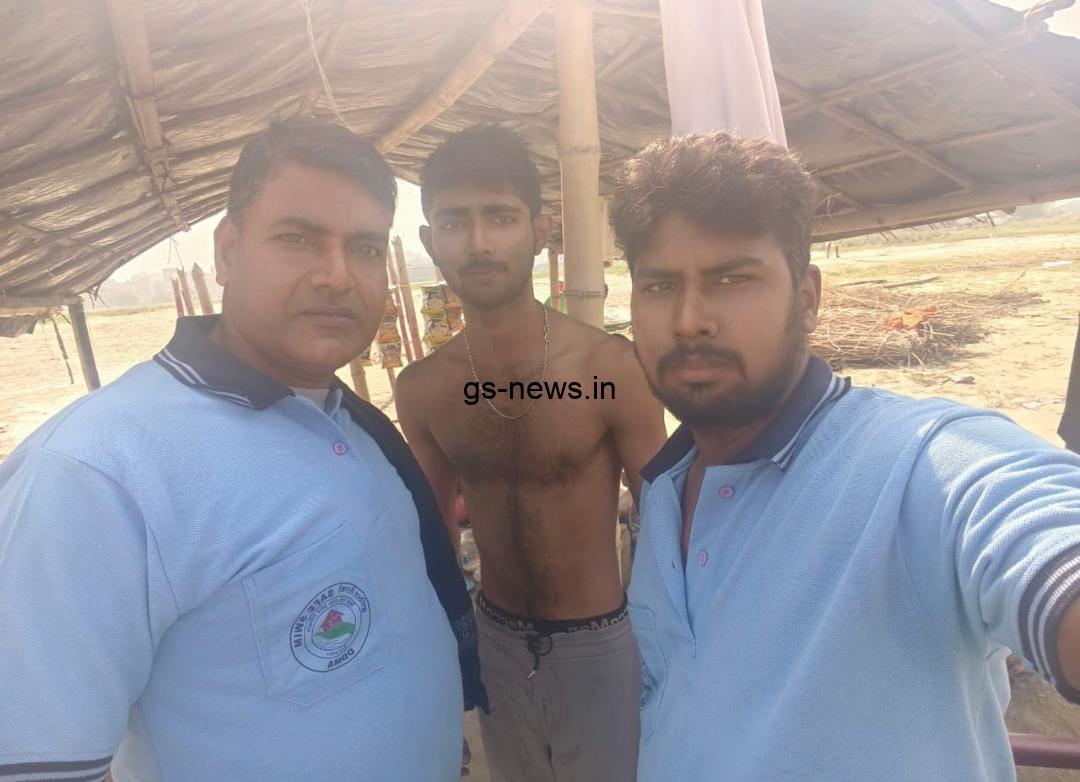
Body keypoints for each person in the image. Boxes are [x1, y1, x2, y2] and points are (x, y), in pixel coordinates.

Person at [0, 118, 483, 781]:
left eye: (366, 248)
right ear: (227, 251)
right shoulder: (96, 475)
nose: (338, 276)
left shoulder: (352, 422)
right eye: (298, 239)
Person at [610, 131, 1080, 781]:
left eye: (732, 278)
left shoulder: (916, 461)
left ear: (807, 298)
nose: (690, 319)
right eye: (660, 285)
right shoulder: (666, 487)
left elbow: (1031, 526)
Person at [395, 124, 666, 782]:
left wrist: (672, 655)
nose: (479, 243)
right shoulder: (424, 388)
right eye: (454, 222)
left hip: (600, 643)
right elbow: (431, 540)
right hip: (496, 644)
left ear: (540, 231)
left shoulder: (608, 369)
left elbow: (666, 520)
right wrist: (439, 670)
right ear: (430, 241)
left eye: (501, 217)